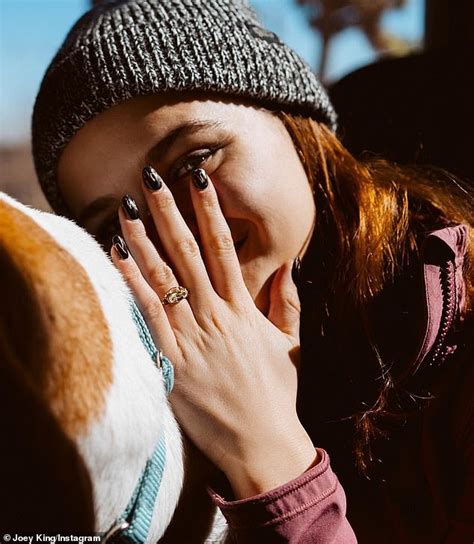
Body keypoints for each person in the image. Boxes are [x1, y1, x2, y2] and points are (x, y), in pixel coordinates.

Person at [31, 0, 473, 542]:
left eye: (195, 164)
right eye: (120, 227)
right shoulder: (144, 403)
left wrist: (269, 459)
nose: (177, 237)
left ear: (295, 126)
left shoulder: (459, 333)